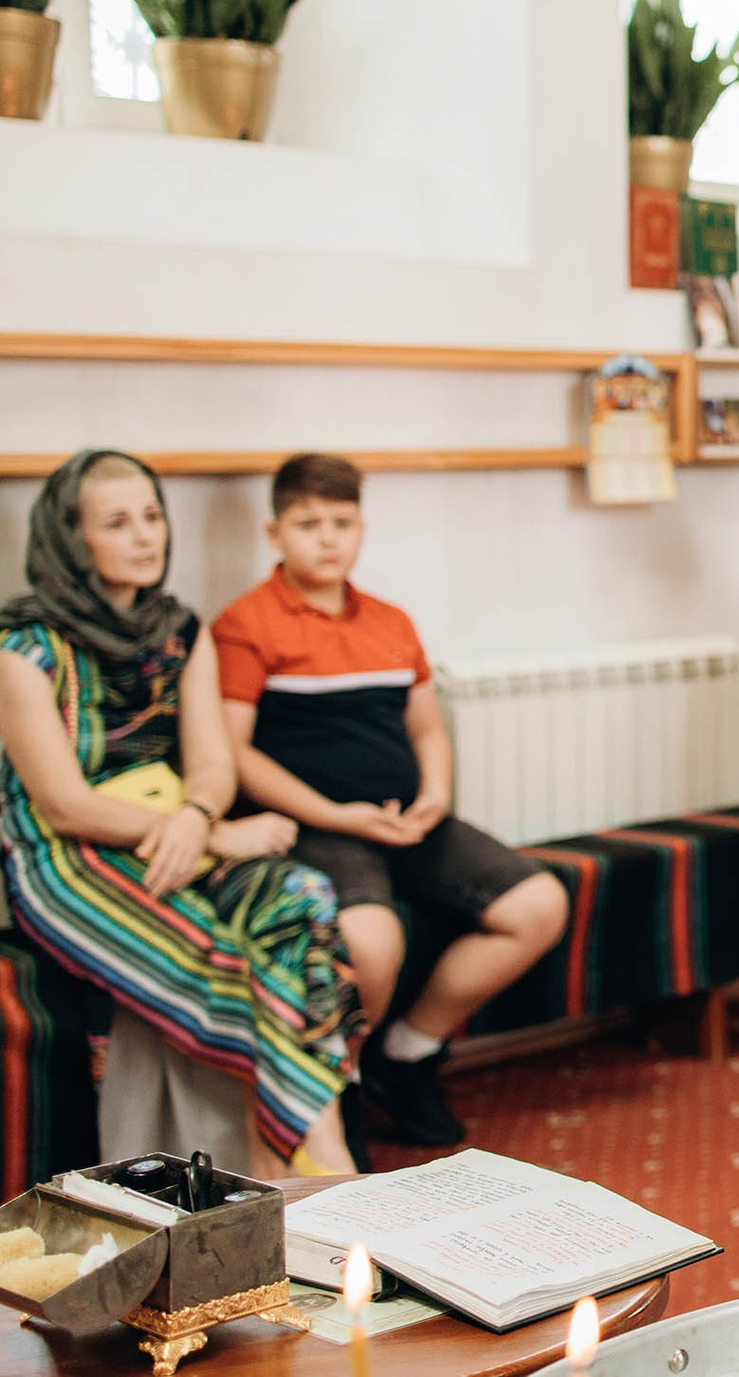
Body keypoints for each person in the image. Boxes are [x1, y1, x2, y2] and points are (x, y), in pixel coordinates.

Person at [0, 450, 358, 1176]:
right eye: (118, 522)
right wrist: (215, 831)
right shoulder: (22, 647)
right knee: (227, 958)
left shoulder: (180, 630)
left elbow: (214, 763)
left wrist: (198, 813)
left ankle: (304, 1159)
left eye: (153, 516)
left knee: (301, 897)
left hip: (180, 832)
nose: (146, 536)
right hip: (68, 857)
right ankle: (314, 1167)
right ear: (72, 539)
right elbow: (62, 803)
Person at [213, 453, 569, 1152]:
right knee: (374, 942)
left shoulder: (390, 621)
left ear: (361, 528)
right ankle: (332, 1088)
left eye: (341, 522)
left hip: (406, 816)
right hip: (320, 826)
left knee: (538, 905)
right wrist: (332, 813)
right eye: (308, 523)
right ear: (274, 531)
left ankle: (406, 1054)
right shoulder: (246, 624)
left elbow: (426, 726)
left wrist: (435, 794)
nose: (327, 538)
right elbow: (236, 753)